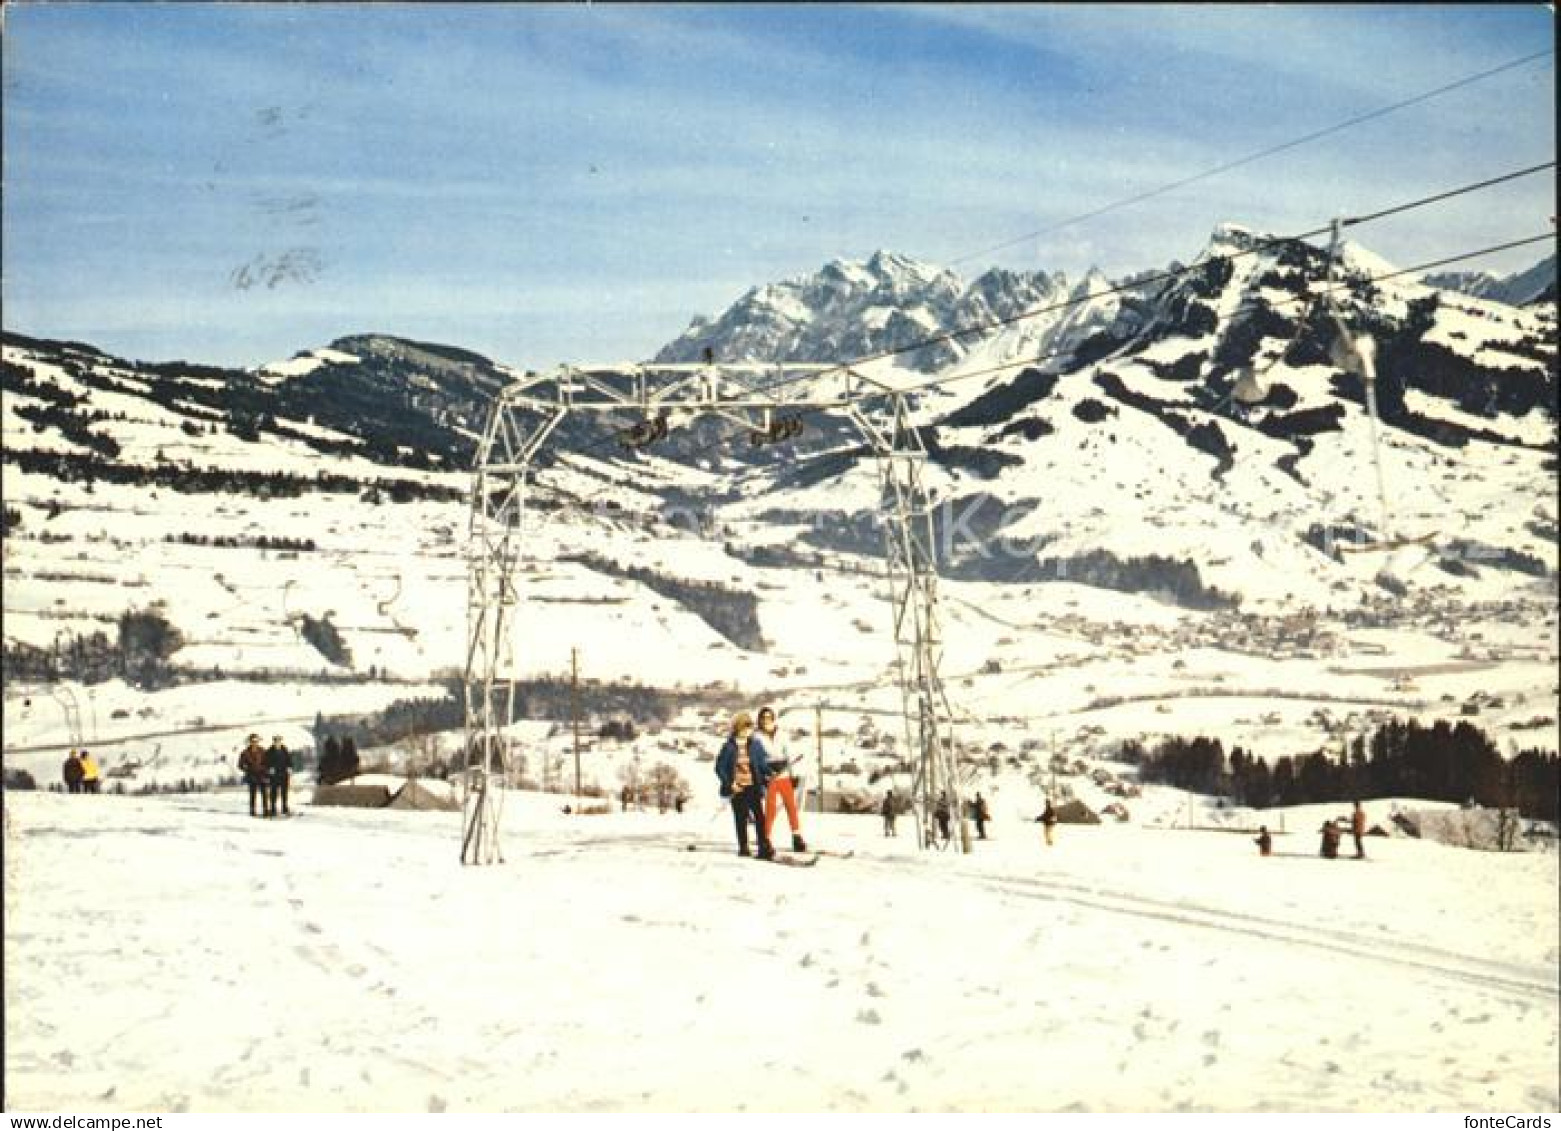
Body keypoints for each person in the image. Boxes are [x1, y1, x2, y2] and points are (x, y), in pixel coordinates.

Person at [714, 711, 773, 859]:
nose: (747, 732)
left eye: (749, 728)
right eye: (744, 728)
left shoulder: (755, 745)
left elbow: (763, 763)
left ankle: (764, 847)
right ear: (737, 729)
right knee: (741, 818)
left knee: (760, 818)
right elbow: (719, 768)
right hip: (738, 787)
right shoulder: (729, 747)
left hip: (753, 786)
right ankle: (744, 847)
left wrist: (770, 772)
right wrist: (730, 784)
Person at [753, 706, 807, 852]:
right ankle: (766, 839)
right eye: (764, 718)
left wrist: (793, 774)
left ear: (773, 719)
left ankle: (797, 837)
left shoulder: (781, 735)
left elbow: (789, 754)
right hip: (769, 776)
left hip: (783, 774)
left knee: (791, 806)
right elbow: (756, 759)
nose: (767, 720)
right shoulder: (756, 737)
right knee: (770, 808)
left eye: (769, 717)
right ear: (760, 720)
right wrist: (762, 775)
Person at [238, 734, 268, 818]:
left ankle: (266, 811)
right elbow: (240, 765)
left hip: (261, 775)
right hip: (251, 775)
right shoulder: (245, 752)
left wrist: (265, 770)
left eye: (256, 741)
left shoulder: (262, 751)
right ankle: (252, 811)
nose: (254, 743)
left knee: (264, 794)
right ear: (250, 742)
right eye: (253, 741)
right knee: (252, 794)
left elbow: (267, 761)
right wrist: (246, 768)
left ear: (258, 741)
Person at [265, 735, 292, 818]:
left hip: (284, 774)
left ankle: (284, 807)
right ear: (274, 742)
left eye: (279, 741)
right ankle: (273, 808)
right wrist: (269, 768)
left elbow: (289, 760)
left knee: (284, 792)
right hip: (274, 775)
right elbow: (267, 761)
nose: (277, 742)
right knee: (273, 792)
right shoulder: (270, 751)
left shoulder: (284, 750)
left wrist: (289, 767)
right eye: (276, 741)